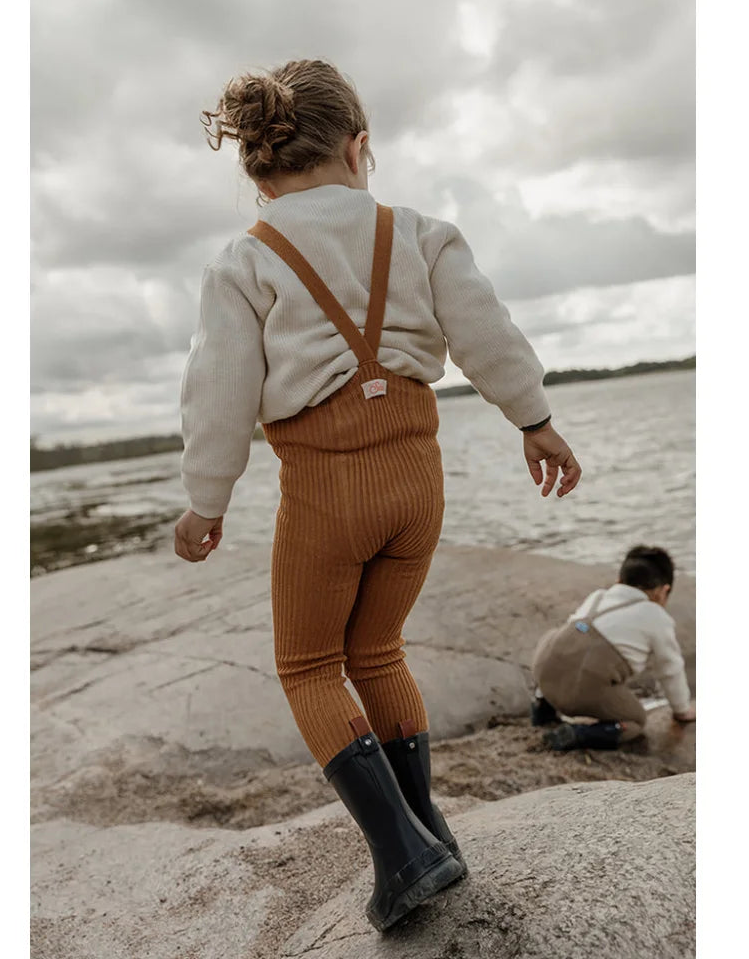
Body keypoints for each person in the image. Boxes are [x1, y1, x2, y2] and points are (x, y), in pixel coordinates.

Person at [173, 59, 582, 931]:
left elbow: (219, 393)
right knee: (380, 652)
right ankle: (429, 829)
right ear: (361, 149)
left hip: (327, 487)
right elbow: (487, 332)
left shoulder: (246, 261)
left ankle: (401, 854)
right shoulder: (421, 233)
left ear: (257, 173)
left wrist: (205, 501)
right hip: (416, 479)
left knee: (309, 666)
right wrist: (534, 419)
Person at [531, 545, 696, 751]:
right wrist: (681, 710)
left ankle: (542, 707)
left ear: (619, 580)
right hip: (578, 692)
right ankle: (580, 734)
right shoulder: (657, 617)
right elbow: (670, 669)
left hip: (544, 674)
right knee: (636, 721)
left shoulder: (598, 596)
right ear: (664, 591)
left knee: (563, 642)